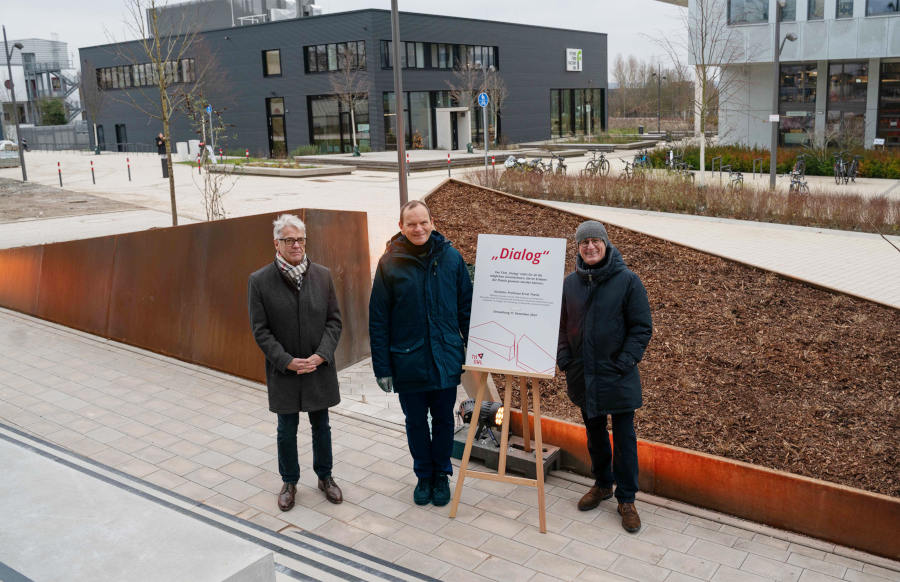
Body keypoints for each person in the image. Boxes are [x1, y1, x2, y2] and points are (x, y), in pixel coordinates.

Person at [369, 200, 473, 507]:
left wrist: (475, 350)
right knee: (415, 422)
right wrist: (382, 367)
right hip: (407, 360)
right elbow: (378, 319)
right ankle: (423, 476)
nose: (419, 229)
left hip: (444, 359)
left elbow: (466, 309)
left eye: (423, 222)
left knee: (443, 420)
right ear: (401, 227)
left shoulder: (451, 258)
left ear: (432, 222)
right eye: (411, 224)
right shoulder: (389, 263)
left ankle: (441, 475)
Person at [557, 220, 652, 533]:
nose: (590, 247)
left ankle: (627, 499)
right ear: (578, 248)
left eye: (596, 241)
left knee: (624, 439)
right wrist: (566, 360)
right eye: (584, 243)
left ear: (606, 244)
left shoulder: (627, 281)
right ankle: (602, 484)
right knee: (595, 434)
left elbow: (641, 327)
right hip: (583, 375)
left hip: (617, 375)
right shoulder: (570, 283)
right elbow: (561, 325)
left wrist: (624, 361)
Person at [248, 214, 343, 511]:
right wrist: (286, 361)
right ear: (276, 243)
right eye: (289, 240)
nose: (296, 245)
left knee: (321, 425)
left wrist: (322, 354)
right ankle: (289, 481)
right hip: (285, 372)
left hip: (318, 368)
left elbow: (334, 321)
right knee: (286, 428)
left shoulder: (323, 276)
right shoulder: (259, 281)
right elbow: (260, 330)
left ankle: (325, 477)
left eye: (300, 239)